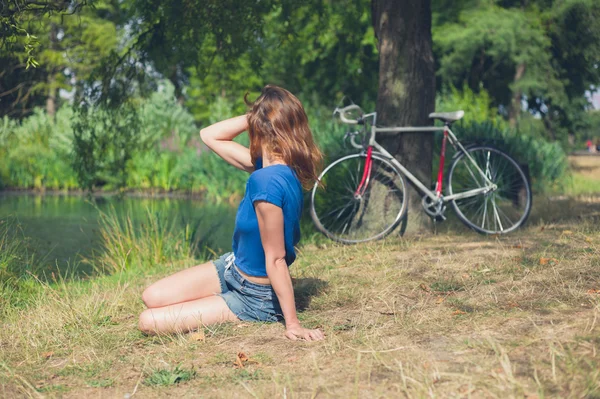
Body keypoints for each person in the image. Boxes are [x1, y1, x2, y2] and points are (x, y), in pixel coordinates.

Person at [138, 85, 325, 341]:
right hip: (232, 268)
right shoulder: (277, 167)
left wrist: (292, 324)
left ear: (263, 129)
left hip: (253, 296)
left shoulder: (266, 182)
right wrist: (256, 116)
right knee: (152, 296)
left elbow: (277, 259)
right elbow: (209, 135)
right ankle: (214, 301)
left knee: (148, 321)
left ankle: (226, 305)